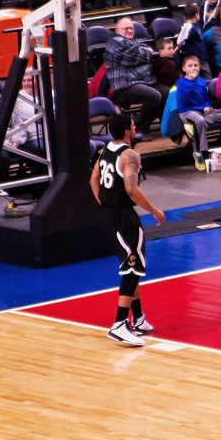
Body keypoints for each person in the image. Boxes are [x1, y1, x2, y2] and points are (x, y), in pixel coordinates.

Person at [90, 114, 165, 347]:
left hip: (107, 215)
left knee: (131, 266)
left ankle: (138, 318)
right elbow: (131, 189)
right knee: (132, 268)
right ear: (127, 131)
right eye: (132, 125)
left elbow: (93, 180)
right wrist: (154, 210)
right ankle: (119, 324)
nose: (134, 127)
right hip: (123, 217)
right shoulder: (130, 155)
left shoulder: (104, 150)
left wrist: (105, 204)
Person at [104, 16, 169, 136]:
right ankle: (139, 129)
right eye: (126, 28)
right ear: (117, 30)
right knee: (154, 96)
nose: (130, 30)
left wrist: (143, 52)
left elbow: (141, 52)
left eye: (131, 28)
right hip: (124, 87)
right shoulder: (114, 42)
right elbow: (132, 57)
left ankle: (165, 127)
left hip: (140, 82)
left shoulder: (131, 42)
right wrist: (147, 52)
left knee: (167, 93)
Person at [176, 55, 221, 171]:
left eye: (195, 65)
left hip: (201, 112)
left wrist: (207, 106)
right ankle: (201, 151)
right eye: (190, 66)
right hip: (187, 111)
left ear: (199, 67)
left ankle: (197, 124)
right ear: (184, 68)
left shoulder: (201, 81)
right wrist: (191, 82)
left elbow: (206, 98)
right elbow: (184, 99)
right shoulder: (181, 83)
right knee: (200, 120)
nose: (193, 68)